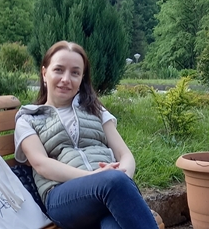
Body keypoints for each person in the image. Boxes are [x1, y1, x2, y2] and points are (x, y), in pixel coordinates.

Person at [14, 41, 160, 229]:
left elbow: (124, 154)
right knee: (113, 183)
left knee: (112, 224)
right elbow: (41, 164)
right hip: (62, 197)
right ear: (44, 73)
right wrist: (93, 177)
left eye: (75, 73)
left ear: (82, 78)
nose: (66, 79)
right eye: (59, 70)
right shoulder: (29, 118)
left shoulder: (95, 110)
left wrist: (124, 178)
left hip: (109, 189)